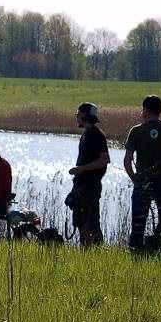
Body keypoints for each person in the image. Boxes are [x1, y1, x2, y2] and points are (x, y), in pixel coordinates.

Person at [123, 95, 161, 252]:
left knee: (138, 223)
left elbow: (127, 161)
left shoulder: (136, 131)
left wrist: (135, 179)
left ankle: (136, 252)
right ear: (160, 110)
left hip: (143, 182)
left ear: (145, 110)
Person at [67, 103, 110, 248]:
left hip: (90, 187)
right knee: (80, 223)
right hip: (81, 185)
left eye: (78, 114)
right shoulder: (86, 134)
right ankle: (85, 252)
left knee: (91, 224)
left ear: (84, 115)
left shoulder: (97, 135)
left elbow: (105, 160)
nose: (76, 117)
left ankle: (97, 253)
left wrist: (82, 169)